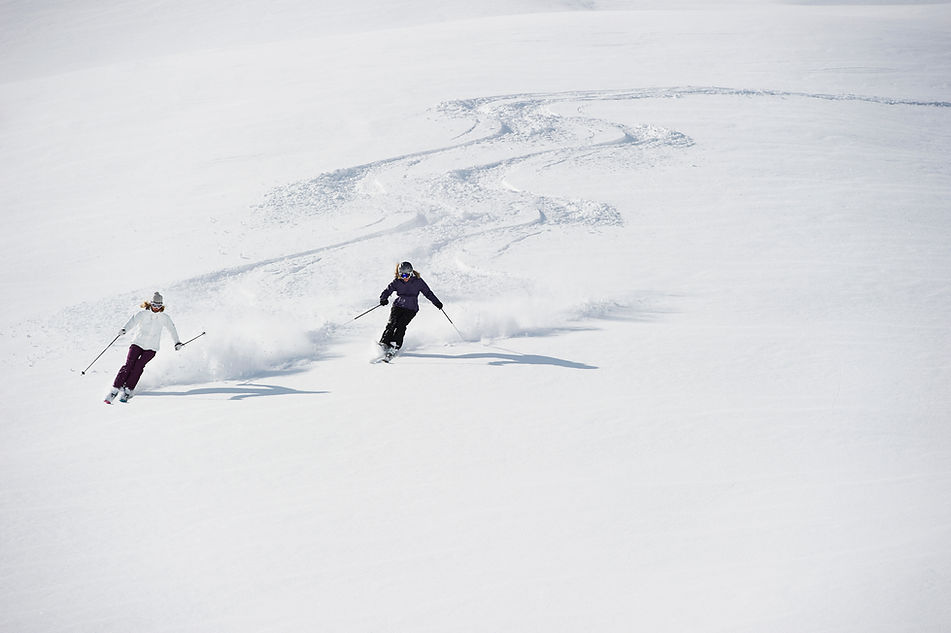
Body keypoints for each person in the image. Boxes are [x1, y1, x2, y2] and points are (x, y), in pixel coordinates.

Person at [106, 292, 183, 403]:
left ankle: (128, 389)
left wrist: (177, 342)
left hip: (151, 347)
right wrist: (125, 329)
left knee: (138, 367)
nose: (156, 308)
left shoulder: (164, 318)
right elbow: (132, 322)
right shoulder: (142, 314)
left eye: (159, 306)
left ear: (162, 306)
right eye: (155, 305)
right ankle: (116, 387)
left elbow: (172, 329)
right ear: (151, 304)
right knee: (129, 365)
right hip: (137, 343)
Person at [378, 261, 443, 353]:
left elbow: (428, 293)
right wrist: (383, 298)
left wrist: (437, 302)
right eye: (402, 276)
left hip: (411, 308)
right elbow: (387, 291)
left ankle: (395, 344)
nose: (405, 278)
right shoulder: (397, 281)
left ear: (411, 273)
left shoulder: (418, 282)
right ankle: (384, 343)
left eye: (407, 275)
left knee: (401, 325)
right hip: (398, 306)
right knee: (392, 323)